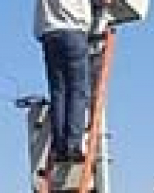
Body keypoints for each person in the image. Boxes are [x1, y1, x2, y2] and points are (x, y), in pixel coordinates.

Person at [33, 0, 106, 164]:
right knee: (78, 91)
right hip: (73, 31)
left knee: (58, 92)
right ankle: (73, 146)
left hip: (49, 34)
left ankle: (60, 147)